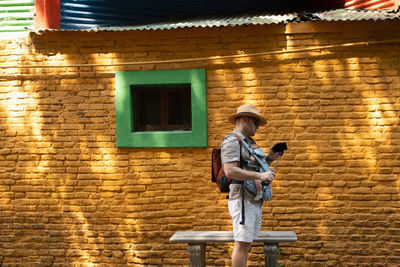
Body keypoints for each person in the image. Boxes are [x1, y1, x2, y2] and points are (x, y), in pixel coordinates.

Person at [221, 104, 280, 267]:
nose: (257, 127)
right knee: (241, 245)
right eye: (255, 123)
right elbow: (230, 171)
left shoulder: (249, 142)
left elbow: (250, 167)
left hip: (252, 199)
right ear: (245, 120)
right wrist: (260, 175)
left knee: (246, 244)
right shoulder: (232, 141)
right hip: (242, 200)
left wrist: (269, 159)